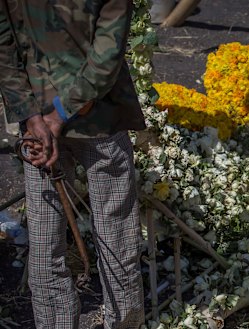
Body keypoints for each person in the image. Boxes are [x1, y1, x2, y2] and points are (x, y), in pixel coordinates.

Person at [0, 0, 146, 327]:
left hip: (42, 121)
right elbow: (107, 54)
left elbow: (3, 47)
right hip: (95, 119)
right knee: (114, 242)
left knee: (46, 246)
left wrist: (35, 116)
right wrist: (55, 116)